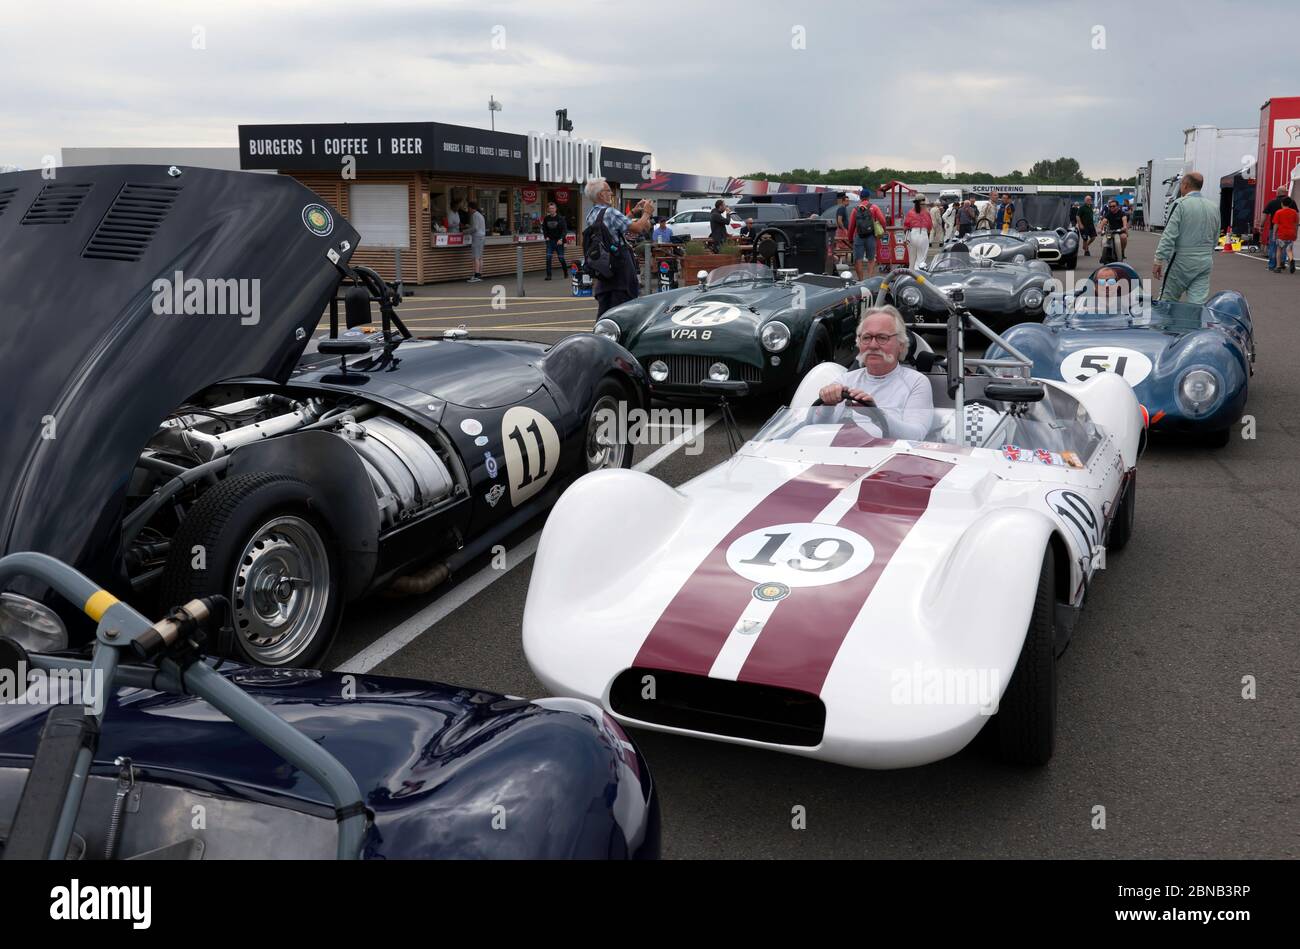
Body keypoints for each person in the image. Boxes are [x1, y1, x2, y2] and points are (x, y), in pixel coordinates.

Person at [817, 306, 934, 441]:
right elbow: (813, 427)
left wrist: (876, 414)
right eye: (866, 337)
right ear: (859, 343)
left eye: (882, 337)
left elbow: (916, 435)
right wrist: (827, 407)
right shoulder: (844, 380)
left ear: (901, 344)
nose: (873, 345)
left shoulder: (916, 382)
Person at [583, 176, 654, 316]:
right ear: (601, 195)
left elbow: (617, 226)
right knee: (623, 311)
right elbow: (638, 228)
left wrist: (633, 212)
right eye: (608, 191)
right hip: (619, 268)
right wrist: (646, 213)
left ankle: (603, 335)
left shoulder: (592, 214)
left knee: (605, 311)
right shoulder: (610, 212)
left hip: (605, 269)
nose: (611, 193)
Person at [1153, 172, 1220, 304]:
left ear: (1185, 185)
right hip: (1205, 259)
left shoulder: (1180, 204)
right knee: (1197, 304)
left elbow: (1169, 235)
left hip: (1181, 260)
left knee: (1167, 301)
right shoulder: (1214, 206)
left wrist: (1159, 259)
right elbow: (1216, 235)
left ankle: (1164, 325)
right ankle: (1194, 324)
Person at [848, 195, 886, 279]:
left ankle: (861, 281)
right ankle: (869, 279)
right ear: (869, 197)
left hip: (859, 237)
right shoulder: (874, 207)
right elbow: (883, 221)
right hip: (871, 236)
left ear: (860, 198)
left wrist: (850, 238)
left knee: (858, 260)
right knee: (871, 259)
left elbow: (851, 226)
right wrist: (883, 230)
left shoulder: (855, 209)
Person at [1262, 186, 1289, 271]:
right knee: (1284, 247)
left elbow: (1264, 214)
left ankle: (1272, 265)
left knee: (1273, 246)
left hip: (1274, 228)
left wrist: (1261, 225)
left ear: (1277, 192)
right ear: (1285, 192)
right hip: (1286, 229)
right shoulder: (1291, 202)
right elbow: (1297, 214)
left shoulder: (1272, 202)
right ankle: (1282, 263)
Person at [903, 195, 932, 270]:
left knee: (912, 260)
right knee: (920, 260)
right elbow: (929, 226)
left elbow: (906, 225)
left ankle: (910, 276)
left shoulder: (910, 212)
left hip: (912, 235)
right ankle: (918, 277)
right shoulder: (926, 212)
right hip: (923, 234)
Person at [540, 202, 568, 280]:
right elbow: (544, 229)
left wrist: (561, 239)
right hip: (550, 241)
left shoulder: (561, 219)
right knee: (548, 258)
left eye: (553, 208)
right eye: (550, 208)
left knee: (561, 259)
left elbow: (564, 230)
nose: (551, 210)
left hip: (559, 241)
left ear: (555, 209)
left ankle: (565, 272)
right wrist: (546, 237)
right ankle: (549, 275)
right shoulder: (546, 219)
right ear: (548, 210)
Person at [1272, 198, 1297, 274]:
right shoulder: (1294, 212)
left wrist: (1274, 234)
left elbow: (1276, 224)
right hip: (1291, 233)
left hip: (1282, 234)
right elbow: (1296, 224)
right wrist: (1295, 233)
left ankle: (1278, 267)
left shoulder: (1278, 212)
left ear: (1282, 203)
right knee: (1289, 249)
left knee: (1279, 250)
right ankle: (1291, 260)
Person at [466, 201, 486, 283]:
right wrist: (470, 227)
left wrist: (465, 231)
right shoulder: (480, 215)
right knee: (480, 257)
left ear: (471, 208)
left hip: (477, 237)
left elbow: (475, 228)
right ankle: (479, 275)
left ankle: (476, 275)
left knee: (475, 258)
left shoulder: (474, 215)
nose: (468, 210)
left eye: (468, 208)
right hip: (482, 237)